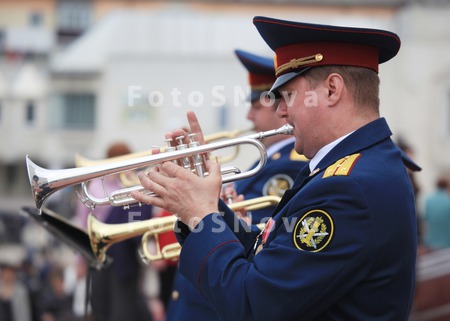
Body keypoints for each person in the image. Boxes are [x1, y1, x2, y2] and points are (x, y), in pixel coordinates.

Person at [132, 16, 418, 321]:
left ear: (333, 90)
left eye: (288, 96)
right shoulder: (351, 170)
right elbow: (268, 255)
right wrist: (202, 200)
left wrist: (200, 215)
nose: (281, 111)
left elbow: (254, 305)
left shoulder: (350, 186)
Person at [165, 49, 308, 321]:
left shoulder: (289, 166)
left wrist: (208, 209)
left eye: (256, 106)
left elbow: (262, 244)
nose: (248, 117)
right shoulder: (267, 164)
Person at [422, 175, 450, 250]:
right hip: (447, 241)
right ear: (447, 186)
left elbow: (426, 218)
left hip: (431, 241)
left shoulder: (429, 200)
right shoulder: (448, 200)